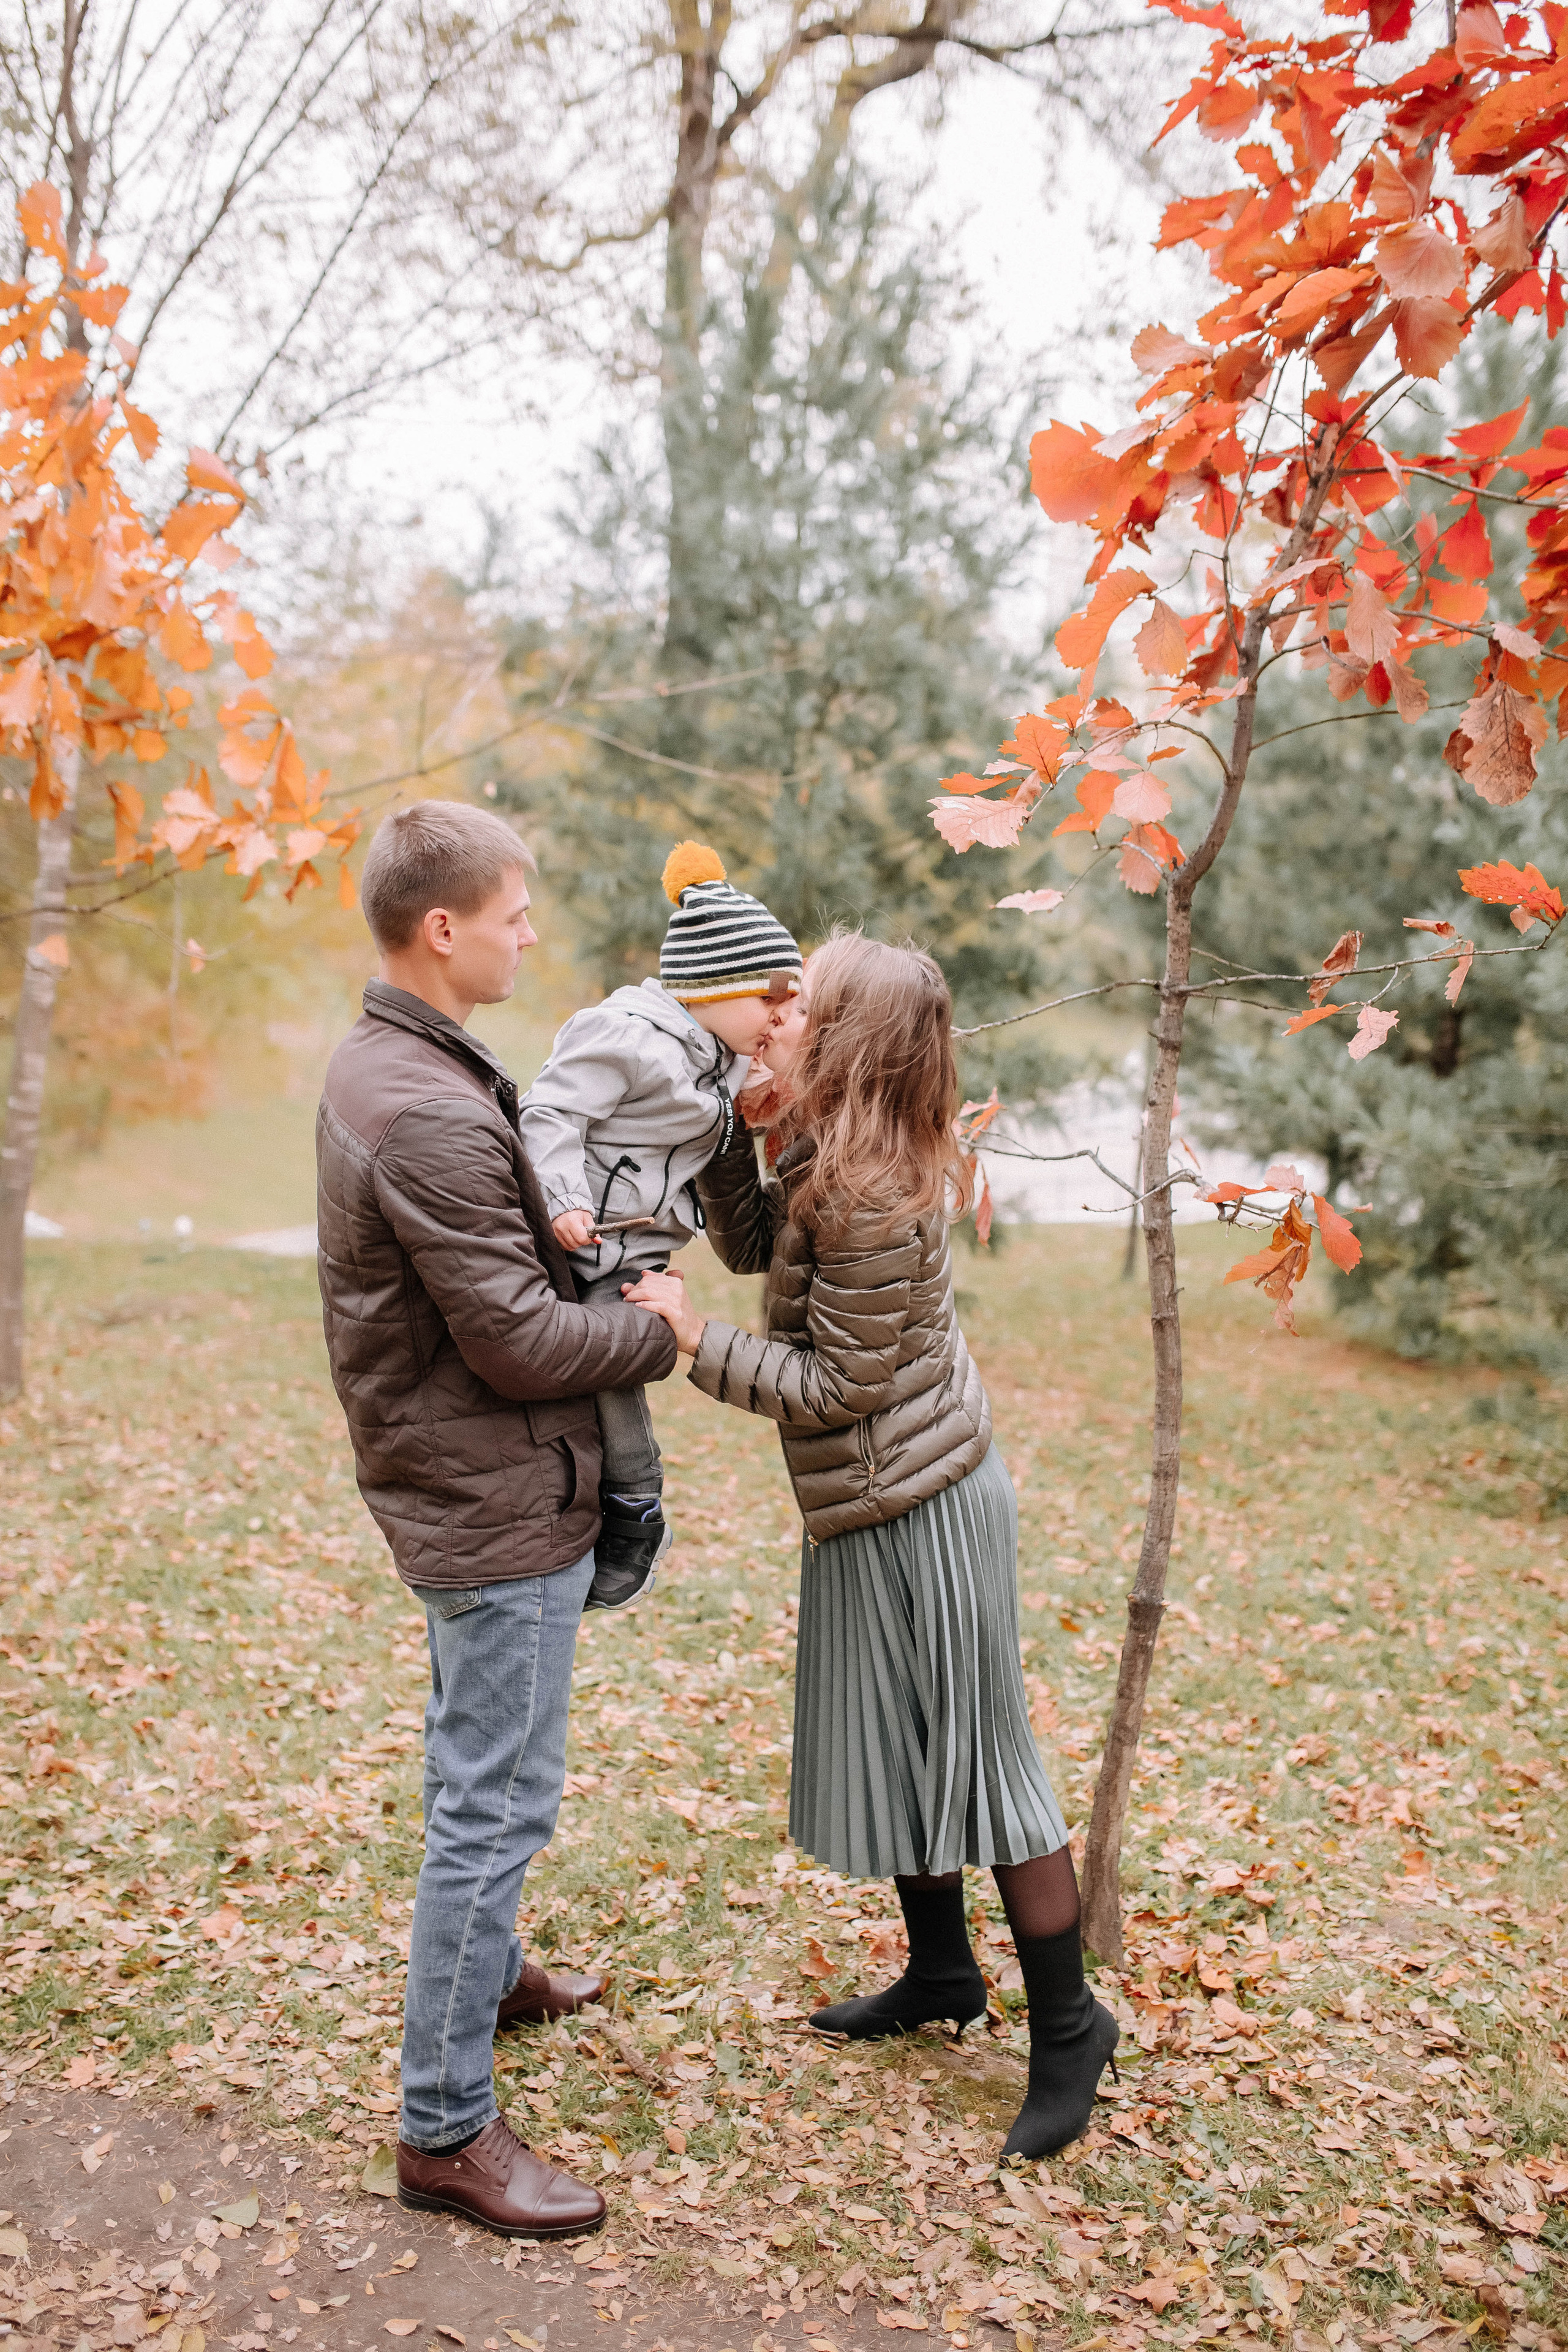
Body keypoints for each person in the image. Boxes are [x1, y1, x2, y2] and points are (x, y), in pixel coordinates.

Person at [627, 933, 1119, 2160]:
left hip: (926, 1503)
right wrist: (744, 1138)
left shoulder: (878, 1186)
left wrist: (694, 1344)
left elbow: (837, 1381)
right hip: (867, 1497)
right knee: (902, 1742)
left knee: (985, 1762)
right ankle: (944, 1974)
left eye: (808, 1003)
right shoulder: (827, 1140)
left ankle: (1070, 2028)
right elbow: (754, 1251)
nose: (780, 1011)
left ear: (851, 1041)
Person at [315, 801, 679, 2239]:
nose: (533, 932)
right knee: (496, 1798)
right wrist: (652, 1326)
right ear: (442, 927)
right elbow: (523, 1346)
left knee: (483, 1770)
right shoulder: (418, 1098)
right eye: (515, 911)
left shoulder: (405, 1062)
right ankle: (444, 2129)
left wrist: (555, 1228)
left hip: (471, 1471)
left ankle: (493, 1966)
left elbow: (483, 1264)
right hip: (491, 1489)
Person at [518, 842, 801, 1610]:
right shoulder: (624, 1037)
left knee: (615, 1358)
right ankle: (633, 1504)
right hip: (581, 1233)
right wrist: (562, 1193)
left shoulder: (726, 1056)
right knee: (599, 1366)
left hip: (636, 1248)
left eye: (787, 1008)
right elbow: (548, 1111)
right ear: (710, 990)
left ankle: (629, 1507)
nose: (777, 1022)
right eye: (766, 1006)